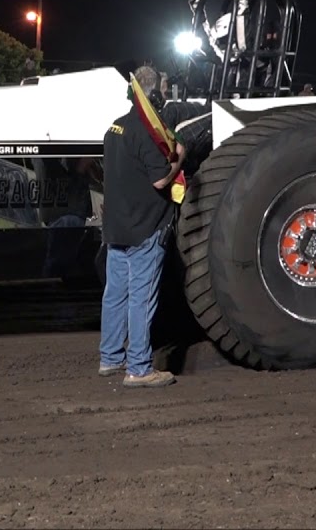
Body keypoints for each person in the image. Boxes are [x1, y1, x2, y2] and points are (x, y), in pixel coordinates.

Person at [99, 66, 206, 389]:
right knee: (141, 298)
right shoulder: (146, 133)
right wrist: (181, 156)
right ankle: (139, 368)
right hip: (144, 227)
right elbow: (160, 179)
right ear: (154, 94)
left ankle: (110, 357)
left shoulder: (114, 128)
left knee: (115, 293)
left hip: (116, 227)